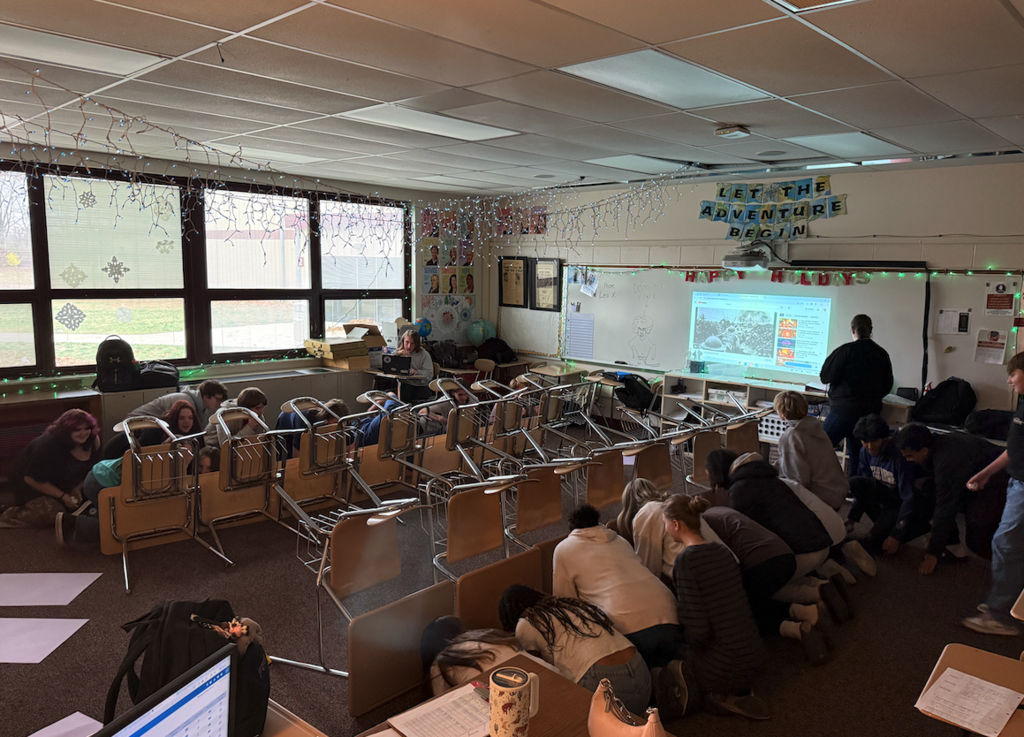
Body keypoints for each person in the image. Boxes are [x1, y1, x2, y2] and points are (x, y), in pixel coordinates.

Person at [662, 495, 770, 720]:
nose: (665, 529)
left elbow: (698, 631)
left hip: (726, 664)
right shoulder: (722, 552)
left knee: (671, 657)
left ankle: (720, 696)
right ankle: (741, 689)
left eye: (665, 523)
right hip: (755, 655)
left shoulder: (685, 562)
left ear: (675, 524)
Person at [712, 450, 854, 619]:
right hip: (822, 544)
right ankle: (823, 585)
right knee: (781, 573)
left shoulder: (739, 492)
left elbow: (746, 539)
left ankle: (816, 593)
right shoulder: (774, 481)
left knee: (762, 585)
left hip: (801, 554)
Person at [552, 504, 685, 672]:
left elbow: (565, 605)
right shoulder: (620, 540)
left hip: (629, 626)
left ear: (573, 529)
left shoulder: (564, 549)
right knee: (663, 656)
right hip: (671, 613)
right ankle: (674, 670)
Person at [700, 503, 832, 665]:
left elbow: (730, 562)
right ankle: (813, 599)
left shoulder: (705, 527)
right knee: (765, 593)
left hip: (763, 563)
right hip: (784, 553)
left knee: (746, 610)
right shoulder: (720, 509)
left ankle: (797, 626)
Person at [498, 585, 652, 716]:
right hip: (642, 672)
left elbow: (534, 673)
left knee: (555, 703)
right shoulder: (571, 606)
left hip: (604, 683)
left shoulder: (526, 623)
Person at [962, 353, 1024, 635]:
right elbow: (1015, 449)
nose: (1009, 380)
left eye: (1014, 374)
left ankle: (1002, 616)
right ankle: (1008, 605)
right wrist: (987, 473)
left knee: (1006, 544)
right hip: (1017, 482)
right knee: (1010, 545)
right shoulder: (1022, 401)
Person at [895, 423, 1007, 575]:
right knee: (928, 489)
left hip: (999, 479)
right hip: (974, 476)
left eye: (910, 456)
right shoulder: (937, 444)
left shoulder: (945, 462)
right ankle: (952, 546)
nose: (908, 460)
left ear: (924, 451)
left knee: (977, 538)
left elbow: (945, 507)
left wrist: (932, 553)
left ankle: (1008, 567)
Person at [616, 478, 734, 583]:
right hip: (729, 565)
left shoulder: (648, 512)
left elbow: (649, 571)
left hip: (700, 577)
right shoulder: (676, 505)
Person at [0, 409, 102, 529]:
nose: (84, 433)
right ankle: (11, 513)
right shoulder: (48, 446)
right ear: (66, 430)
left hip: (66, 482)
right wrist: (63, 496)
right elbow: (30, 479)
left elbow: (92, 469)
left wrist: (77, 488)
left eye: (87, 428)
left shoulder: (93, 441)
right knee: (53, 514)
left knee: (98, 496)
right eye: (77, 430)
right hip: (34, 485)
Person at [819, 315, 893, 476]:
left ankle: (820, 485)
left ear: (852, 330)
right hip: (868, 415)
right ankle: (857, 493)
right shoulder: (881, 354)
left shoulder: (844, 351)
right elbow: (888, 386)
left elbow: (825, 377)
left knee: (817, 448)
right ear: (871, 330)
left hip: (842, 412)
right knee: (860, 458)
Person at [847, 415, 928, 555]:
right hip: (886, 500)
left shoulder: (901, 456)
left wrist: (896, 534)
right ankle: (882, 528)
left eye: (874, 441)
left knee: (876, 545)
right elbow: (864, 486)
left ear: (885, 438)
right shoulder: (865, 453)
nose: (869, 446)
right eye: (865, 442)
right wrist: (852, 518)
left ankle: (924, 527)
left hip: (904, 503)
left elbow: (909, 497)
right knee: (854, 482)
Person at [420, 615, 549, 697]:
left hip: (523, 701)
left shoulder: (440, 664)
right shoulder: (488, 636)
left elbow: (440, 705)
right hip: (551, 679)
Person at [773, 391, 849, 511]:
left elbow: (797, 480)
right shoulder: (814, 426)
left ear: (782, 414)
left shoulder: (791, 436)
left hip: (821, 499)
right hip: (836, 492)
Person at [103, 399, 200, 460]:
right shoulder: (157, 429)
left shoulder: (191, 433)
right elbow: (140, 453)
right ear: (175, 419)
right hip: (116, 455)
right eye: (181, 418)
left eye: (190, 418)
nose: (187, 422)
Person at [127, 379, 228, 429]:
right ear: (206, 395)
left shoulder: (201, 409)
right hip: (135, 426)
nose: (219, 404)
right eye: (218, 399)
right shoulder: (185, 402)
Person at [274, 399, 349, 459]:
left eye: (343, 423)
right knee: (285, 456)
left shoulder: (342, 420)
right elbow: (297, 454)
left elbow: (350, 447)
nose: (339, 427)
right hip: (288, 421)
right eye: (335, 423)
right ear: (326, 420)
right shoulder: (307, 421)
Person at [395, 330, 434, 404]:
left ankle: (405, 411)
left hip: (419, 385)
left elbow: (429, 375)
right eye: (407, 342)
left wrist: (417, 372)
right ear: (403, 341)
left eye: (412, 343)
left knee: (406, 392)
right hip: (403, 383)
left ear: (417, 344)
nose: (409, 346)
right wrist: (397, 354)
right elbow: (389, 362)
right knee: (390, 391)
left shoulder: (424, 354)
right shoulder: (399, 352)